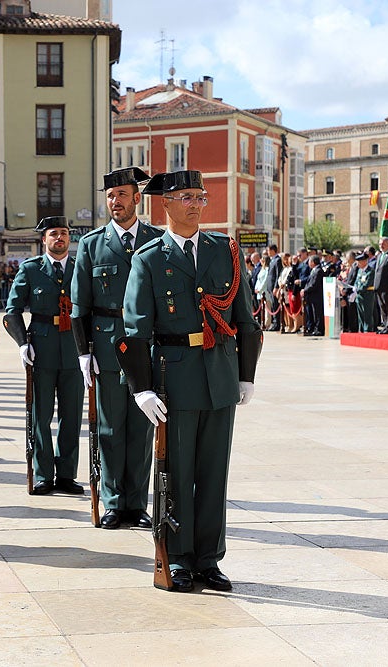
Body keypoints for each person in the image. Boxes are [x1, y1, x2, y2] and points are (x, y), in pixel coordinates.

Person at [115, 169, 261, 593]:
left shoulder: (224, 249)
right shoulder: (148, 258)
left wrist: (246, 375)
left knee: (214, 473)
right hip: (173, 377)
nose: (196, 204)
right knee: (176, 471)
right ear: (166, 204)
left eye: (200, 197)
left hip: (219, 375)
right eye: (186, 197)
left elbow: (245, 316)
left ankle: (208, 558)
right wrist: (141, 388)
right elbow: (134, 329)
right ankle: (178, 558)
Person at [71, 166, 156, 528]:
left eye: (121, 195)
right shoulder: (92, 244)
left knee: (141, 428)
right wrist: (83, 351)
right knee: (109, 428)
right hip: (106, 346)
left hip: (145, 345)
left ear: (137, 198)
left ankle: (136, 503)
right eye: (109, 196)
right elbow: (79, 305)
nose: (114, 202)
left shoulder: (155, 239)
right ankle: (112, 500)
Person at [4, 216, 84, 496]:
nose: (59, 238)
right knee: (41, 414)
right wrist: (22, 343)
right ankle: (43, 474)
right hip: (42, 347)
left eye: (63, 233)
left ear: (69, 238)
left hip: (74, 349)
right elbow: (12, 311)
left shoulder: (79, 268)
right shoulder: (31, 269)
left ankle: (66, 475)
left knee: (72, 415)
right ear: (44, 239)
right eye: (54, 234)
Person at [301, 255, 325, 336]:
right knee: (314, 313)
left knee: (318, 313)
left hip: (317, 296)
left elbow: (314, 284)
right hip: (312, 296)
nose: (308, 263)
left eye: (309, 261)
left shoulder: (318, 271)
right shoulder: (313, 270)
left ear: (313, 262)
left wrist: (305, 290)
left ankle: (319, 329)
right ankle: (315, 328)